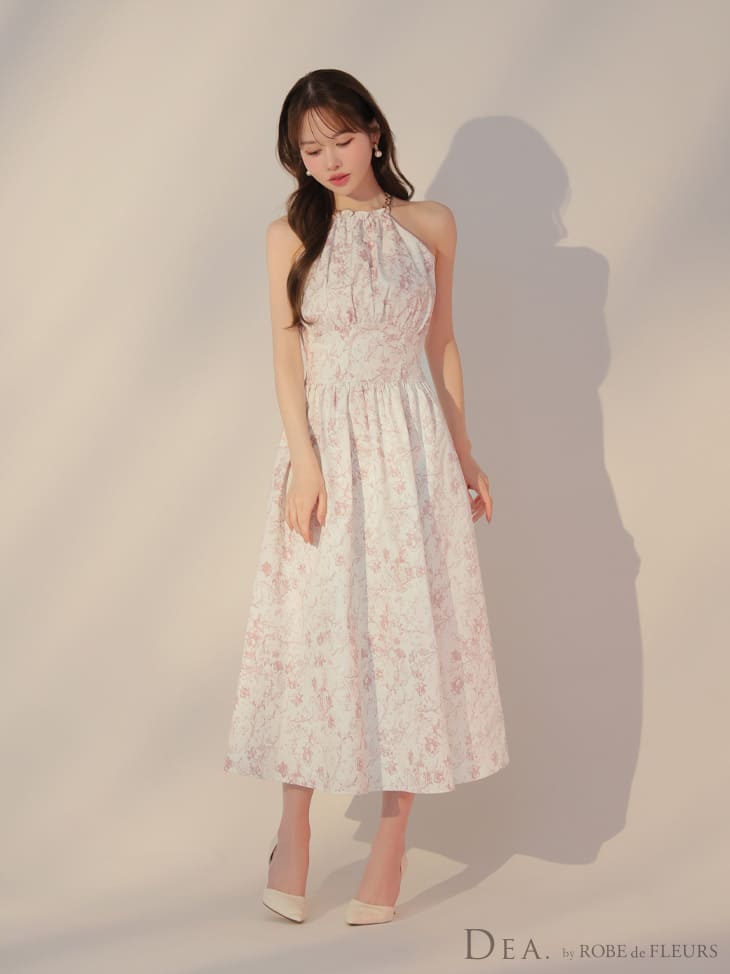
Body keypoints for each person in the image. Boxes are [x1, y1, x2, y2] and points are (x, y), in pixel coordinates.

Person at [223, 68, 509, 925]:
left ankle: (392, 842)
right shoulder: (288, 235)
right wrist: (305, 463)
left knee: (406, 633)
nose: (330, 161)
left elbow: (442, 342)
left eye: (342, 139)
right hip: (327, 448)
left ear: (375, 132)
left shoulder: (431, 225)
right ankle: (294, 829)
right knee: (315, 634)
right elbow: (286, 357)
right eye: (310, 150)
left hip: (412, 448)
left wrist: (464, 451)